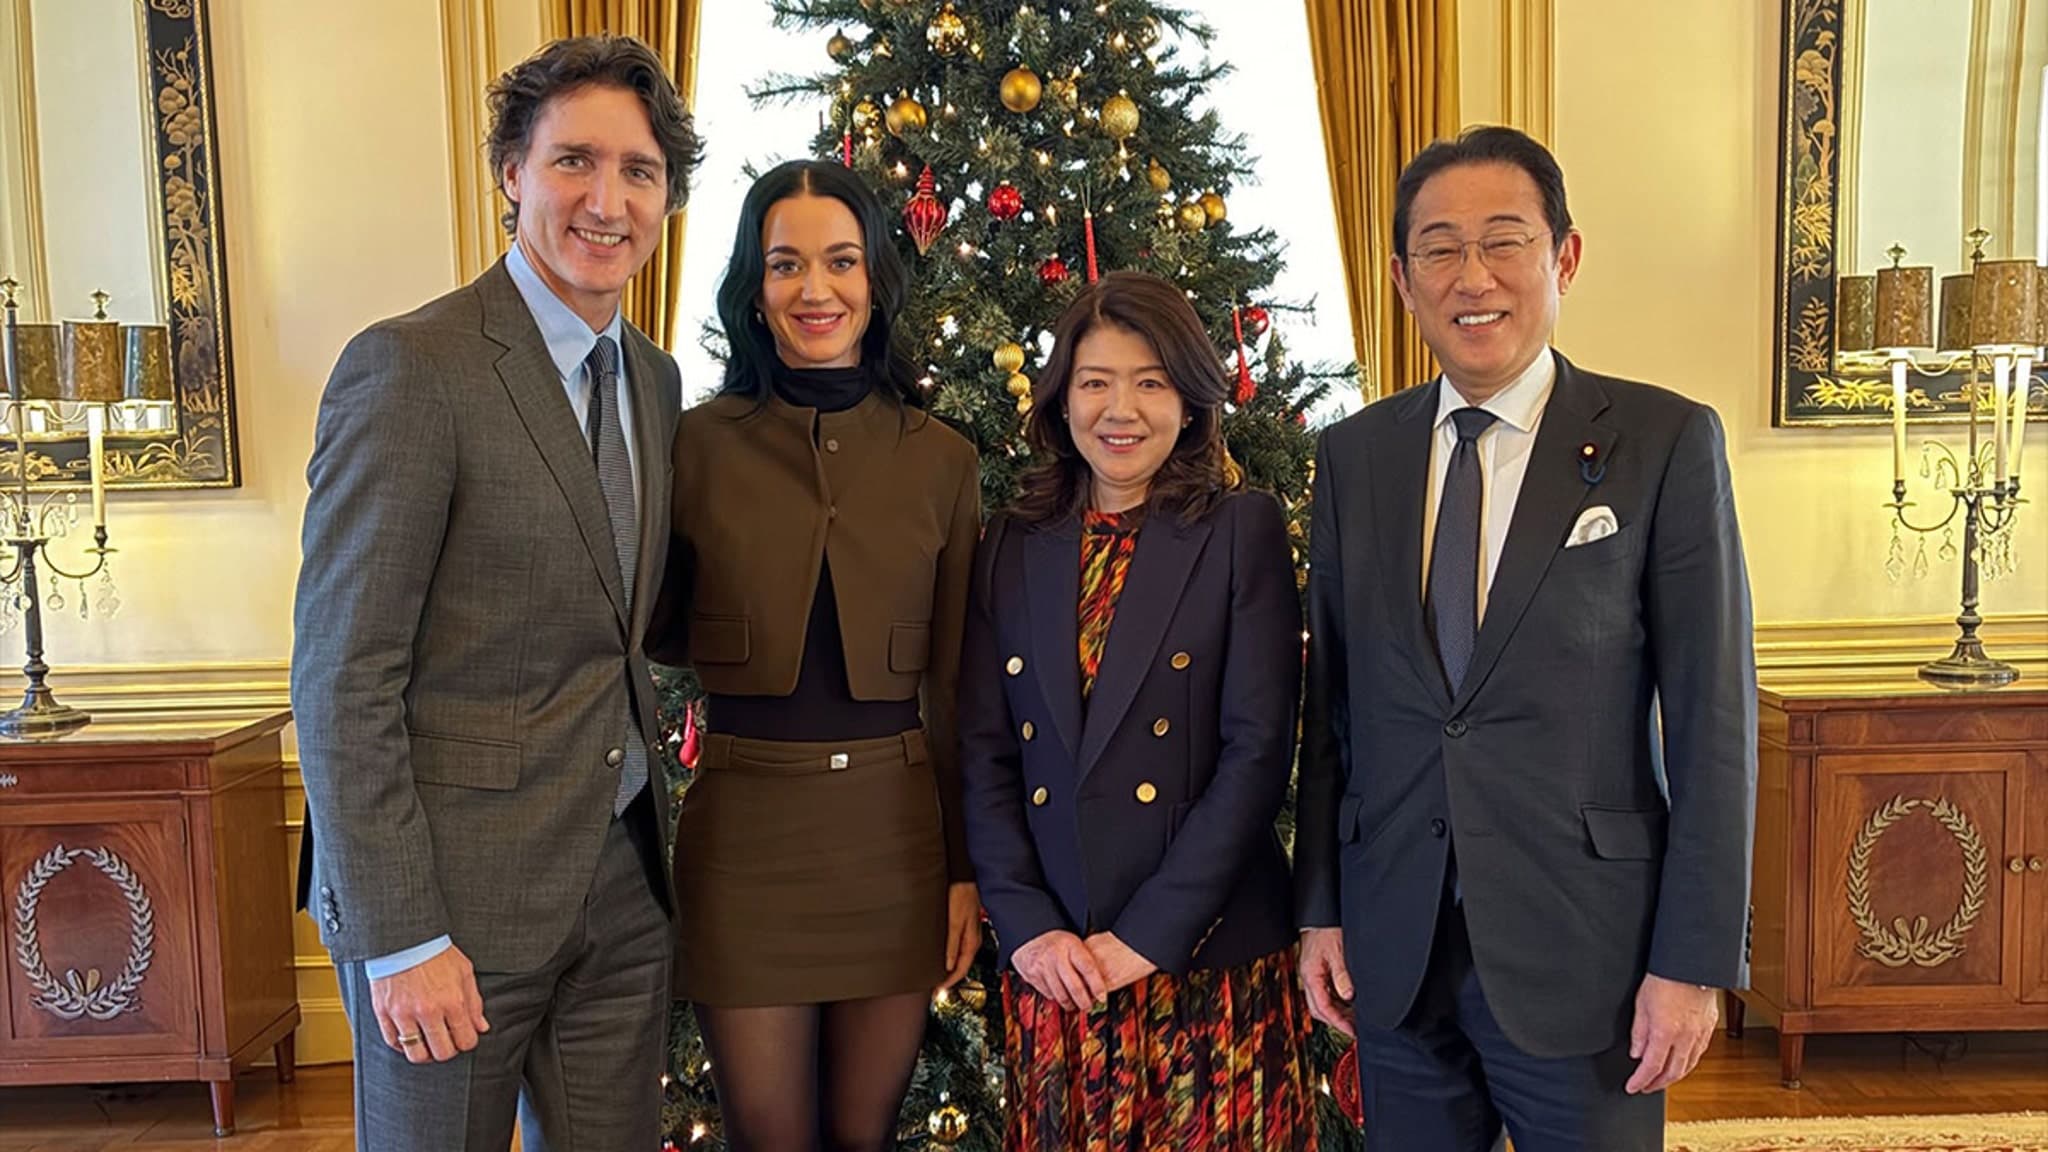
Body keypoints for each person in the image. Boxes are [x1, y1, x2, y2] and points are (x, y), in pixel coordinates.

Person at [1293, 125, 1757, 1152]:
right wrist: (1321, 907)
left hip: (1583, 954)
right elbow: (1332, 712)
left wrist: (1690, 964)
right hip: (1395, 948)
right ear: (1402, 278)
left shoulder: (1663, 443)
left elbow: (1711, 725)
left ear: (1563, 258)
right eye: (1438, 248)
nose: (1473, 276)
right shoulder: (1353, 457)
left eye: (1503, 241)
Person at [291, 35, 700, 1152]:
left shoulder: (656, 382)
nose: (605, 200)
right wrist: (401, 934)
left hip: (620, 895)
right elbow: (341, 672)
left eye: (639, 172)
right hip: (449, 913)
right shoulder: (413, 367)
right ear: (511, 171)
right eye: (574, 160)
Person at [647, 158, 980, 1152]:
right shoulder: (692, 445)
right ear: (754, 287)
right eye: (784, 264)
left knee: (862, 1135)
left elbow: (955, 687)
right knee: (769, 1135)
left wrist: (962, 870)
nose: (814, 289)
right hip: (744, 838)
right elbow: (652, 626)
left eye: (839, 261)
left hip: (894, 841)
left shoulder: (941, 458)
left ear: (875, 278)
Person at [959, 271, 1317, 1149]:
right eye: (1095, 382)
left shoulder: (1242, 529)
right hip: (1061, 968)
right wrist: (1030, 927)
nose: (1121, 409)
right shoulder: (1011, 542)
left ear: (1191, 402)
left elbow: (1257, 754)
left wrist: (1149, 937)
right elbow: (985, 752)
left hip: (1204, 959)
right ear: (1062, 399)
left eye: (1150, 382)